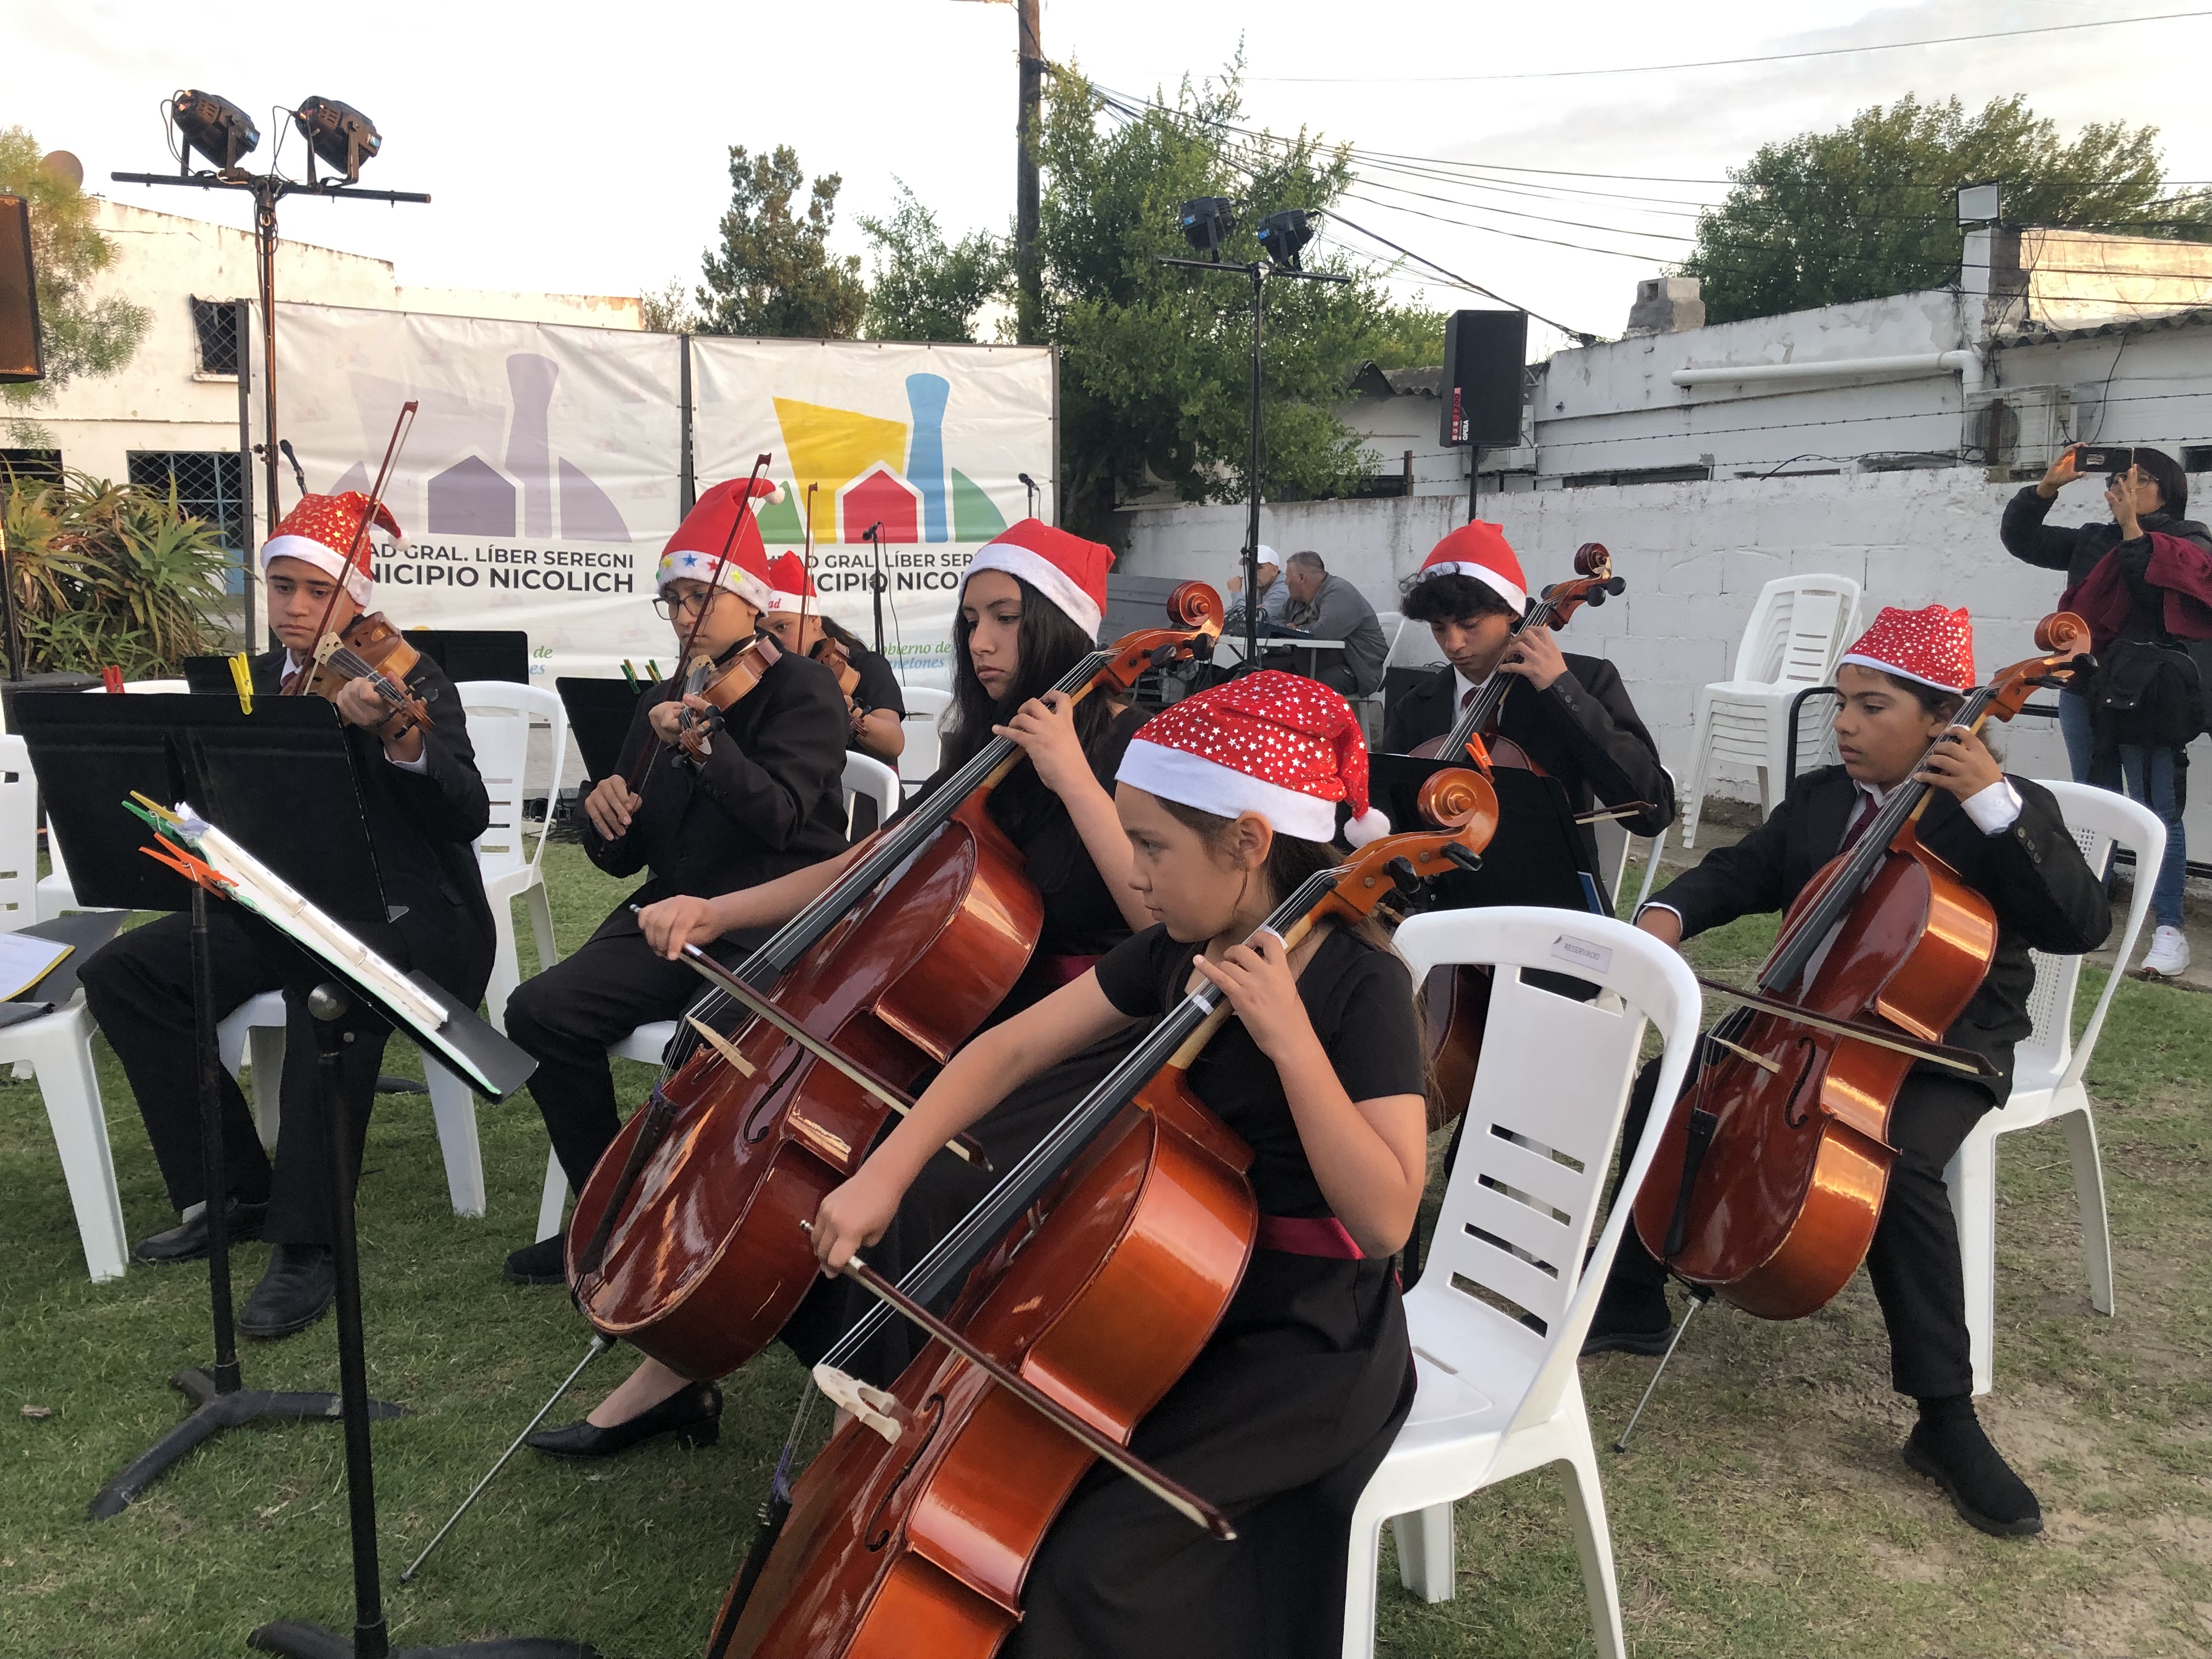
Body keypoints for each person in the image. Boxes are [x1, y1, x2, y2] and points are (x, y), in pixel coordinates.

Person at [805, 670, 1422, 1658]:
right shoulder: (1184, 945)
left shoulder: (1360, 981)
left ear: (1248, 842)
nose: (1130, 873)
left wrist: (1291, 1043)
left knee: (1085, 1565)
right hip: (1165, 1310)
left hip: (1300, 1341)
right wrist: (887, 1169)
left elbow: (1387, 1215)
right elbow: (1007, 1050)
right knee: (1016, 1489)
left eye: (1152, 847)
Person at [523, 518, 1156, 1457]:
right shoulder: (988, 742)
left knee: (879, 1167)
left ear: (1061, 628)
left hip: (1083, 1020)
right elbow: (867, 859)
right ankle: (699, 1357)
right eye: (970, 619)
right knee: (781, 1118)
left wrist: (1071, 777)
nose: (979, 641)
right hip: (970, 1003)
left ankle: (863, 1406)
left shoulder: (1126, 744)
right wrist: (714, 907)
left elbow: (1157, 923)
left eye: (1006, 620)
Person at [1582, 605, 2110, 1539]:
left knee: (1900, 1162)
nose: (1844, 725)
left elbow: (2076, 921)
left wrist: (1993, 799)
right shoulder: (1825, 798)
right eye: (1840, 704)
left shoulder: (1998, 802)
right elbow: (1742, 869)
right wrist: (1666, 911)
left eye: (1872, 707)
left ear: (1943, 715)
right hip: (1816, 1013)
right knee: (1676, 1082)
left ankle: (1944, 1419)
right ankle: (1630, 1292)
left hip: (1946, 1037)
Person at [80, 492, 494, 1338]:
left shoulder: (411, 679)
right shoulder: (260, 684)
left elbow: (467, 810)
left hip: (411, 913)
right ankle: (236, 1188)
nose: (297, 608)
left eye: (317, 590)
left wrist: (400, 740)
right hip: (293, 905)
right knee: (124, 974)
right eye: (282, 587)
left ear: (355, 597)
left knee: (327, 992)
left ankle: (309, 1244)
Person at [496, 479, 851, 1286]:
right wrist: (602, 810)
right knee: (539, 1012)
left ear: (752, 604)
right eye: (675, 599)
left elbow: (784, 821)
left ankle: (693, 1228)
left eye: (703, 596)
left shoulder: (805, 688)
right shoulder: (664, 698)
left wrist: (702, 747)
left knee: (709, 1037)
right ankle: (607, 1215)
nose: (688, 615)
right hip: (673, 907)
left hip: (775, 913)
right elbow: (626, 857)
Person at [2001, 443, 2211, 978]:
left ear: (2159, 489)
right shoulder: (2095, 539)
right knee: (2095, 801)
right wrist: (2047, 487)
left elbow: (2152, 592)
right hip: (2087, 691)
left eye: (2128, 480)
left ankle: (2169, 928)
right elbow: (2023, 540)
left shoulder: (2188, 544)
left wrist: (2133, 530)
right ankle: (2085, 910)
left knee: (2158, 810)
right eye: (2112, 482)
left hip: (2152, 697)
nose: (2114, 489)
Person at [1382, 521, 1674, 861]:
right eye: (1438, 628)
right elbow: (1390, 817)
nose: (1453, 644)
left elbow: (1654, 811)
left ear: (1511, 612)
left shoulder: (1587, 680)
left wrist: (1562, 690)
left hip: (1549, 898)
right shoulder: (1415, 705)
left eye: (1469, 625)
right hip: (1441, 899)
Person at [761, 550, 906, 765]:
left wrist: (850, 712)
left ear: (814, 621)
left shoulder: (866, 666)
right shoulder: (768, 674)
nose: (773, 642)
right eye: (763, 633)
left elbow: (893, 743)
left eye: (782, 627)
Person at [1282, 550, 1387, 696]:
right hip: (1314, 665)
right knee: (1264, 675)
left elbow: (1324, 633)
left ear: (1301, 578)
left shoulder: (1340, 592)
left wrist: (1297, 630)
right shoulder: (1296, 601)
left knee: (1311, 691)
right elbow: (1279, 623)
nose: (1285, 582)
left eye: (1287, 576)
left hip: (1356, 668)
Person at [1223, 545, 1291, 629]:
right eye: (1250, 567)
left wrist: (1236, 593)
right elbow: (1230, 614)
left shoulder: (1283, 590)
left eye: (1259, 568)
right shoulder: (1260, 587)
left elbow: (1248, 621)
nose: (1253, 572)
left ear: (1275, 570)